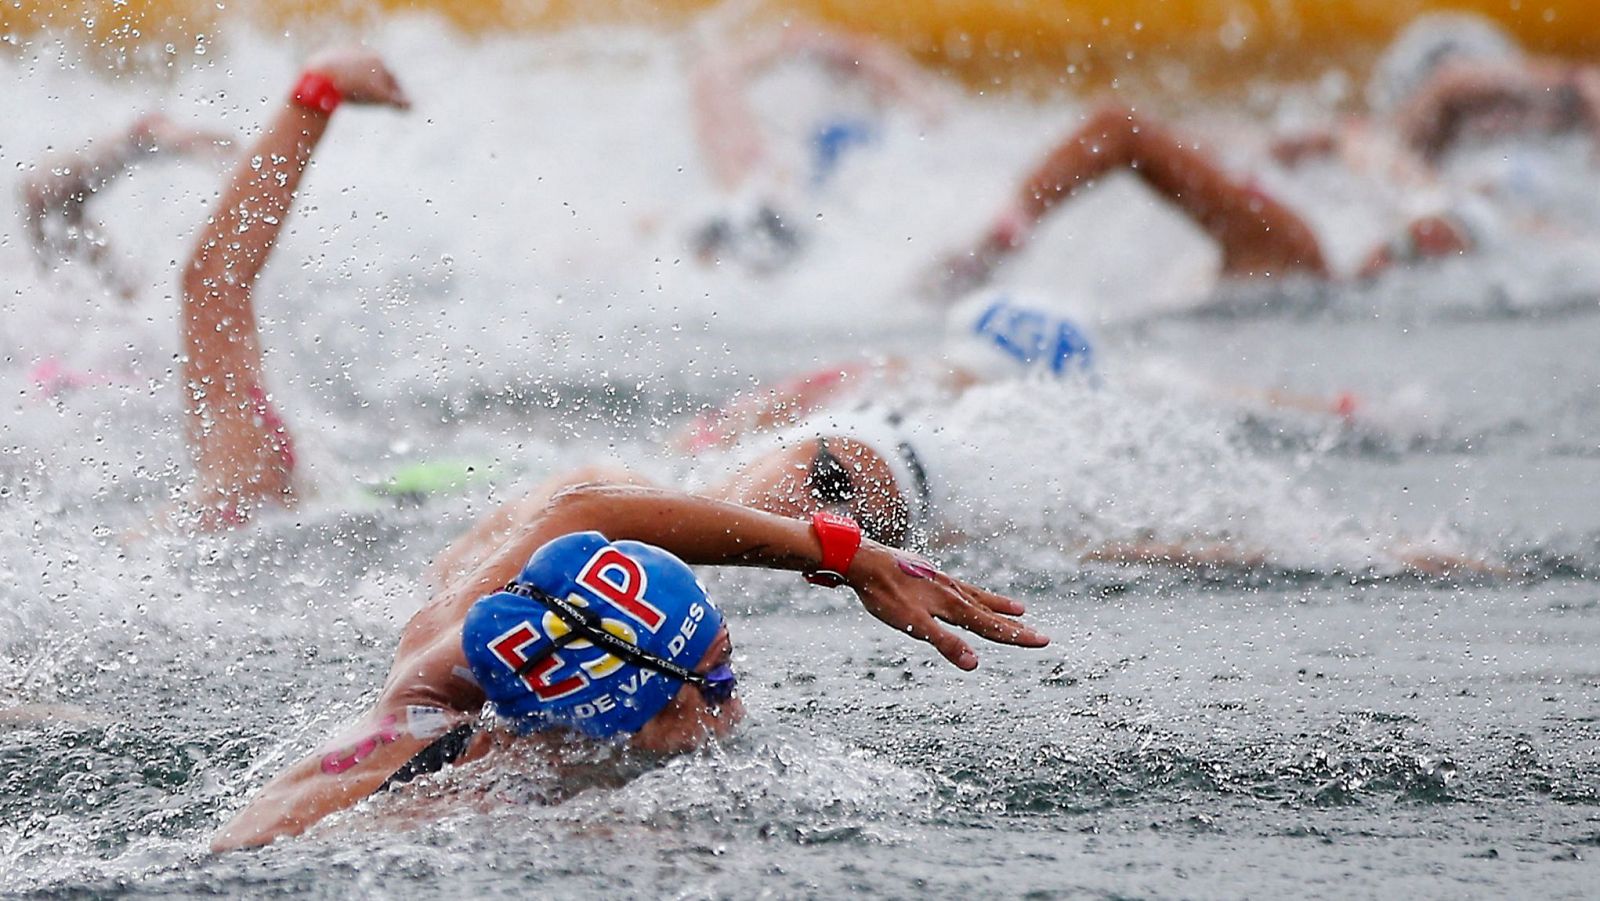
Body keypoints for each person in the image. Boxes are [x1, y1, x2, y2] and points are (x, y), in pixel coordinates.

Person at [922, 13, 1600, 301]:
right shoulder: (1378, 142)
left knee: (1117, 128)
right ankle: (990, 245)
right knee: (1119, 128)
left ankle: (988, 246)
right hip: (1322, 268)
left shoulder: (1396, 166)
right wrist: (1571, 86)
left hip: (1319, 269)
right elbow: (1453, 89)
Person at [688, 22, 947, 272]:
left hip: (799, 228)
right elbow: (933, 116)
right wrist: (805, 43)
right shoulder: (770, 184)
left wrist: (786, 43)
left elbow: (711, 76)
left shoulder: (760, 182)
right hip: (823, 224)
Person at [20, 113, 233, 299]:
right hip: (53, 201)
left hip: (56, 196)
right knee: (103, 281)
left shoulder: (104, 153)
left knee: (103, 280)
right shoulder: (57, 202)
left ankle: (131, 300)